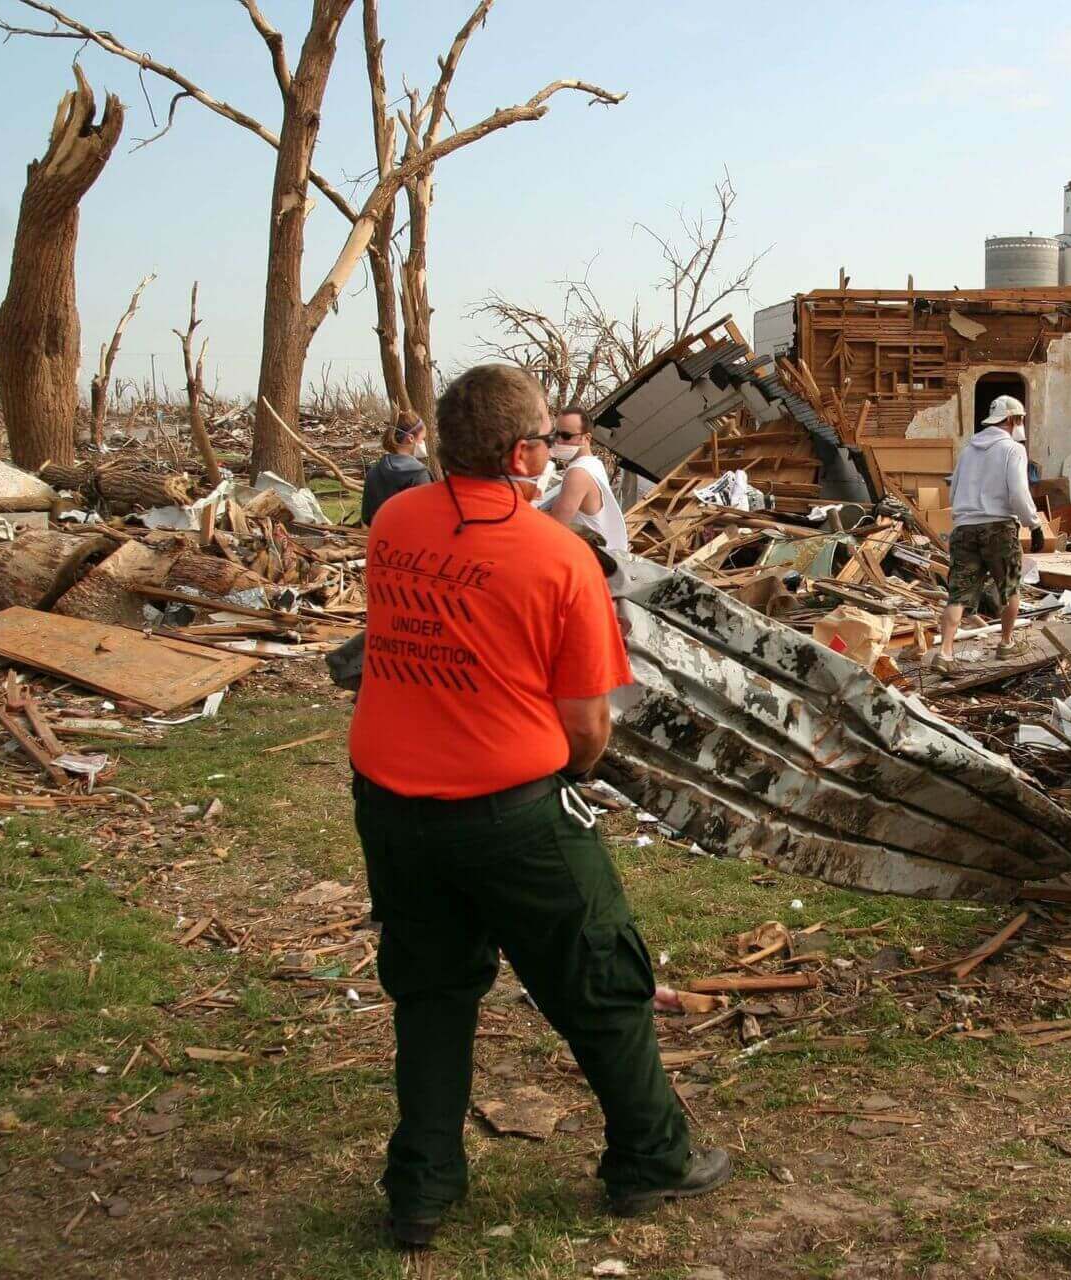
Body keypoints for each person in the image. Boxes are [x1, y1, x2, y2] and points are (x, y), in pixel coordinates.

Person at [348, 365, 728, 1247]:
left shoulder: (395, 522)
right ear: (524, 453)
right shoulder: (558, 557)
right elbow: (587, 729)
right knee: (602, 978)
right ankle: (652, 1159)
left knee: (432, 992)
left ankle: (421, 1190)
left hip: (392, 806)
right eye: (544, 447)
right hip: (510, 810)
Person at [933, 395, 1042, 670]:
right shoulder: (1012, 449)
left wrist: (964, 515)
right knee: (1009, 588)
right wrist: (1034, 523)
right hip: (999, 528)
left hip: (964, 528)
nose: (1021, 425)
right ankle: (1006, 643)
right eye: (1020, 420)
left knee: (958, 594)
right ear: (1011, 419)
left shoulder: (968, 450)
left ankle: (944, 653)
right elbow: (1018, 491)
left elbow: (953, 488)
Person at [536, 406, 630, 555]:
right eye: (556, 433)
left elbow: (554, 525)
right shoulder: (594, 464)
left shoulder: (578, 473)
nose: (558, 440)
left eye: (566, 436)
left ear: (586, 438)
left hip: (592, 558)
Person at [361, 411, 432, 525]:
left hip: (381, 539)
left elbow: (367, 517)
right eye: (422, 438)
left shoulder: (373, 472)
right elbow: (428, 518)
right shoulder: (418, 474)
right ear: (410, 438)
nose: (423, 443)